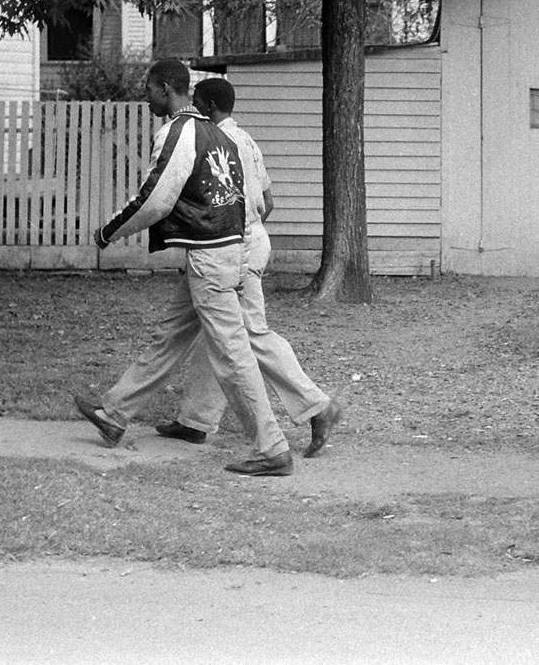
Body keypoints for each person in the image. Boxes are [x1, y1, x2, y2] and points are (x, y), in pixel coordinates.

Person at [72, 59, 294, 476]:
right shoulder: (218, 133)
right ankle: (114, 414)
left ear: (165, 89)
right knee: (169, 337)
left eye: (149, 88)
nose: (145, 95)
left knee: (232, 357)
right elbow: (249, 202)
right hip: (227, 251)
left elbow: (156, 197)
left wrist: (109, 231)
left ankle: (272, 448)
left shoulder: (179, 131)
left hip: (211, 259)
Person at [154, 78, 344, 458]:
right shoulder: (248, 140)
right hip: (246, 239)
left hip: (230, 246)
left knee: (251, 335)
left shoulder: (211, 141)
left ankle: (318, 406)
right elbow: (267, 201)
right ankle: (195, 421)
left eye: (196, 103)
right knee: (219, 334)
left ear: (207, 106)